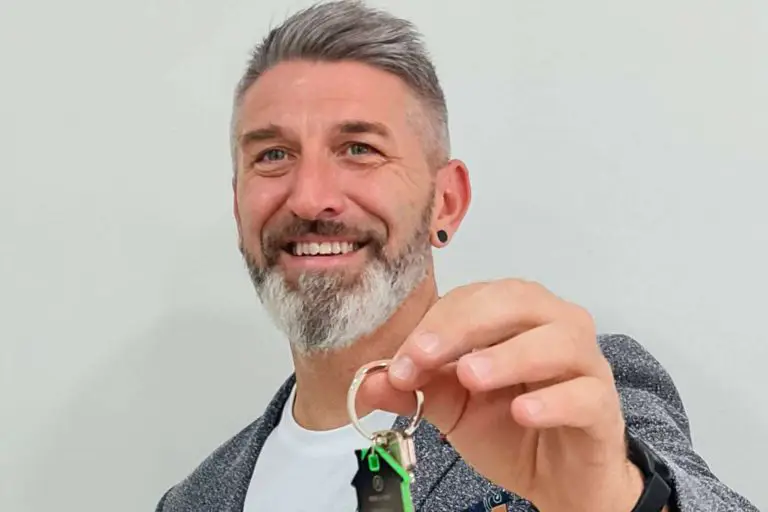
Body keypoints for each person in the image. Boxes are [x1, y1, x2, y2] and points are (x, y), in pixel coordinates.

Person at [155, 1, 759, 511]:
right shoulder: (191, 500)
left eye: (359, 148)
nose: (310, 197)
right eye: (272, 156)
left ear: (446, 202)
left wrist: (613, 497)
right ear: (238, 206)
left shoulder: (562, 402)